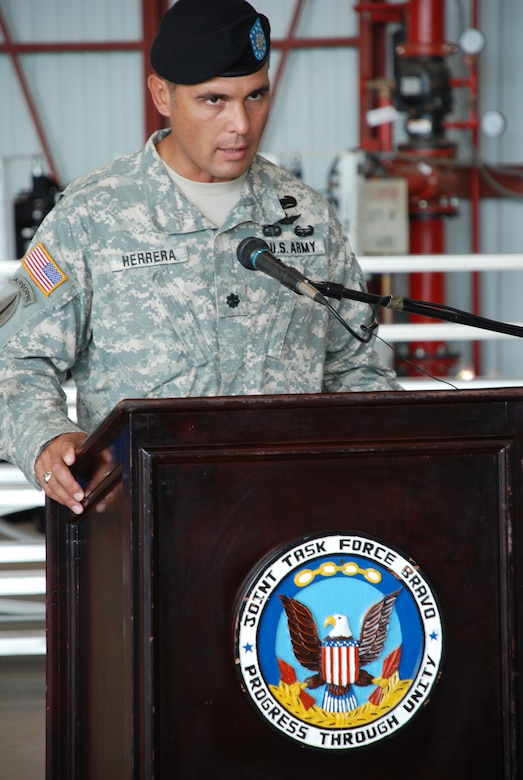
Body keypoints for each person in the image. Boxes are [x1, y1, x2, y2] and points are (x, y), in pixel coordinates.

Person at [0, 0, 401, 516]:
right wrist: (49, 437)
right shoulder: (93, 215)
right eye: (214, 100)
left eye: (256, 95)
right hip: (144, 522)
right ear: (162, 94)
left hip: (288, 520)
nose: (241, 123)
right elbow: (14, 359)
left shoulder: (307, 216)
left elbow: (353, 367)